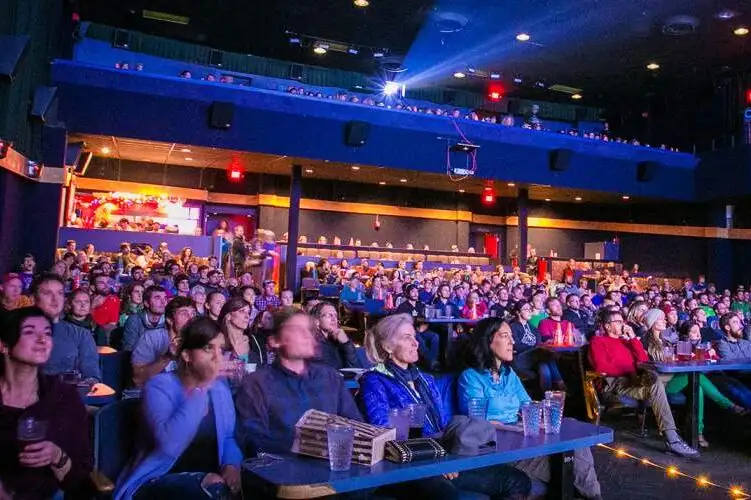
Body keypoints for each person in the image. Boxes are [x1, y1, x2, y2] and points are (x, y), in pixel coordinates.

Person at [356, 314, 532, 500]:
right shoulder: (374, 381)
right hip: (409, 463)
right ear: (387, 346)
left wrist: (449, 458)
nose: (416, 343)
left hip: (442, 455)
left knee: (518, 481)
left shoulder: (424, 379)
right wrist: (435, 458)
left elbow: (444, 424)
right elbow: (384, 431)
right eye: (407, 337)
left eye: (415, 337)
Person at [457, 317, 602, 499]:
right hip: (496, 448)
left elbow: (527, 405)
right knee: (570, 464)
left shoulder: (509, 375)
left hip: (520, 442)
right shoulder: (471, 377)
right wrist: (515, 426)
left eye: (511, 335)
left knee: (575, 445)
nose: (512, 341)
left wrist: (547, 416)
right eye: (505, 336)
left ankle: (593, 496)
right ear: (488, 341)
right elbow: (476, 421)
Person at [114, 317, 242, 500]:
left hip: (210, 481)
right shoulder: (158, 386)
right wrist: (202, 388)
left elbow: (228, 436)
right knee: (213, 487)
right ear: (187, 355)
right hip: (156, 481)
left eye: (220, 349)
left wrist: (231, 465)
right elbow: (169, 445)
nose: (217, 357)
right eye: (208, 348)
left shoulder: (220, 388)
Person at [235, 309, 362, 455]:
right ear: (274, 341)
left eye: (309, 330)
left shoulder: (330, 378)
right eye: (297, 330)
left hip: (336, 471)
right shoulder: (257, 383)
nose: (307, 336)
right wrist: (309, 447)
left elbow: (356, 426)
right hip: (282, 472)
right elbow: (253, 441)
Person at [0, 307, 93, 499]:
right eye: (29, 332)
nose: (43, 339)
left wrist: (57, 456)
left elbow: (82, 473)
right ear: (4, 346)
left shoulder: (63, 397)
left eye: (48, 333)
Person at [588, 309, 698, 457]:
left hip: (635, 380)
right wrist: (628, 371)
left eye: (623, 321)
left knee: (655, 383)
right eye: (619, 322)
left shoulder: (626, 341)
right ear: (608, 326)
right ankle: (674, 441)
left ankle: (672, 439)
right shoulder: (598, 341)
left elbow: (643, 360)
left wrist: (633, 338)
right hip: (616, 383)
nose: (623, 325)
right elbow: (601, 367)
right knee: (656, 382)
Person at [643, 309, 744, 448]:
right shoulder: (645, 341)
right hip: (661, 384)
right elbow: (646, 365)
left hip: (675, 378)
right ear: (652, 322)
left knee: (698, 385)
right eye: (661, 318)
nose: (665, 320)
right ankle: (728, 406)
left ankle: (698, 433)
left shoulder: (667, 340)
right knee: (697, 378)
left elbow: (677, 359)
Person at [33, 274, 100, 381]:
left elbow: (91, 375)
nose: (55, 298)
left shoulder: (81, 335)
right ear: (33, 299)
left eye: (59, 293)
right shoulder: (18, 330)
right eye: (47, 293)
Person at [131, 296, 196, 387]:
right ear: (169, 320)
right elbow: (138, 379)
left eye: (193, 313)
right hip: (145, 394)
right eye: (184, 313)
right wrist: (168, 356)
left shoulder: (196, 341)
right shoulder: (151, 338)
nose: (191, 318)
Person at [309, 302, 360, 369]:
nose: (334, 319)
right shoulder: (313, 343)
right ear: (317, 322)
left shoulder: (338, 340)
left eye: (335, 315)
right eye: (329, 315)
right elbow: (332, 371)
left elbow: (357, 370)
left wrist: (346, 343)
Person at [218, 297, 267, 365]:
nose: (247, 316)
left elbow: (263, 367)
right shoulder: (217, 342)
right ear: (228, 316)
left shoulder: (255, 340)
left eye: (249, 312)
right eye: (242, 311)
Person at [122, 286, 168, 351]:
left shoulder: (168, 321)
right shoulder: (134, 321)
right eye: (157, 298)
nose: (163, 302)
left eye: (165, 298)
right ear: (146, 303)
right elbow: (128, 350)